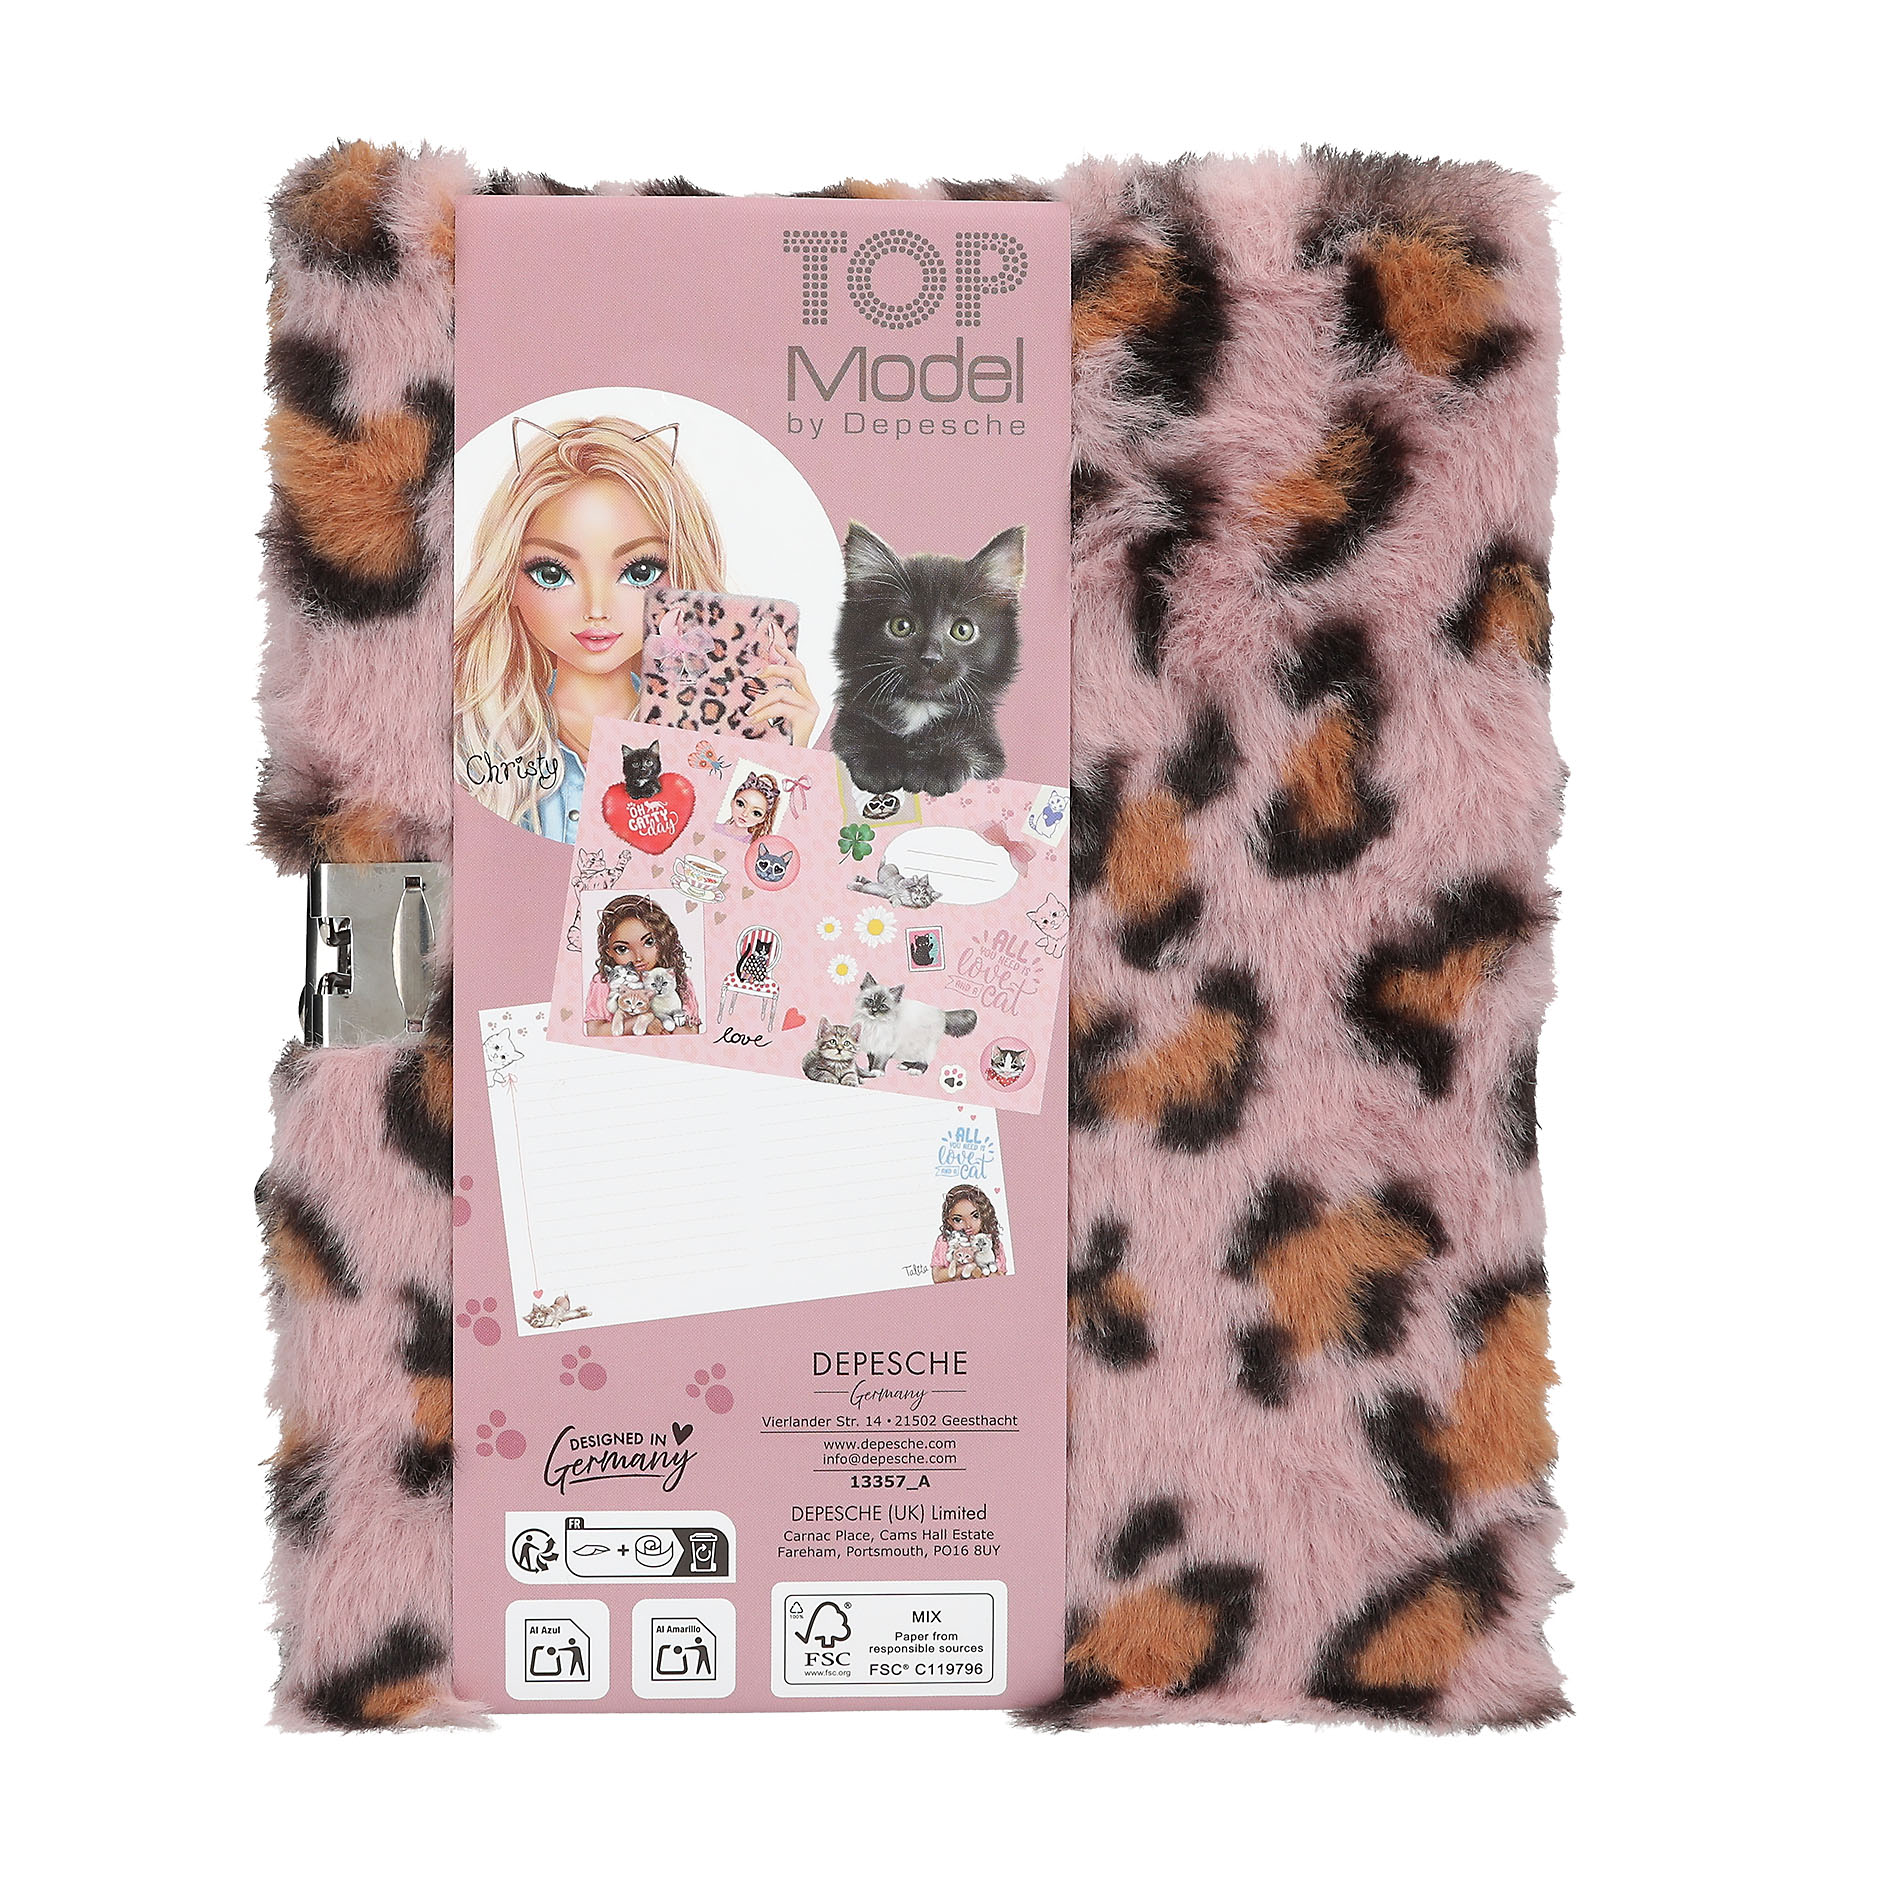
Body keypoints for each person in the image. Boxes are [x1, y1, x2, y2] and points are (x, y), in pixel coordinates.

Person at [455, 417, 817, 838]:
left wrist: (783, 764)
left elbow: (736, 870)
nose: (596, 609)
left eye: (639, 572)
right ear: (506, 581)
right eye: (552, 573)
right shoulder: (468, 733)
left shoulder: (713, 734)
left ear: (680, 576)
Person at [584, 895, 701, 1037]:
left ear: (663, 939)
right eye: (622, 949)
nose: (638, 957)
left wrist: (667, 1024)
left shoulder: (676, 979)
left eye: (649, 942)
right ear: (609, 952)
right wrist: (639, 1022)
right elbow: (595, 1032)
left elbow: (691, 1032)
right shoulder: (603, 983)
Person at [930, 1184, 1009, 1283]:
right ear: (949, 1221)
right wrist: (964, 1268)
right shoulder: (945, 1241)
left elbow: (1000, 1277)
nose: (968, 1225)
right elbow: (937, 1277)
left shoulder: (990, 1241)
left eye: (975, 1216)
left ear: (985, 1215)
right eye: (958, 1220)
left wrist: (979, 1271)